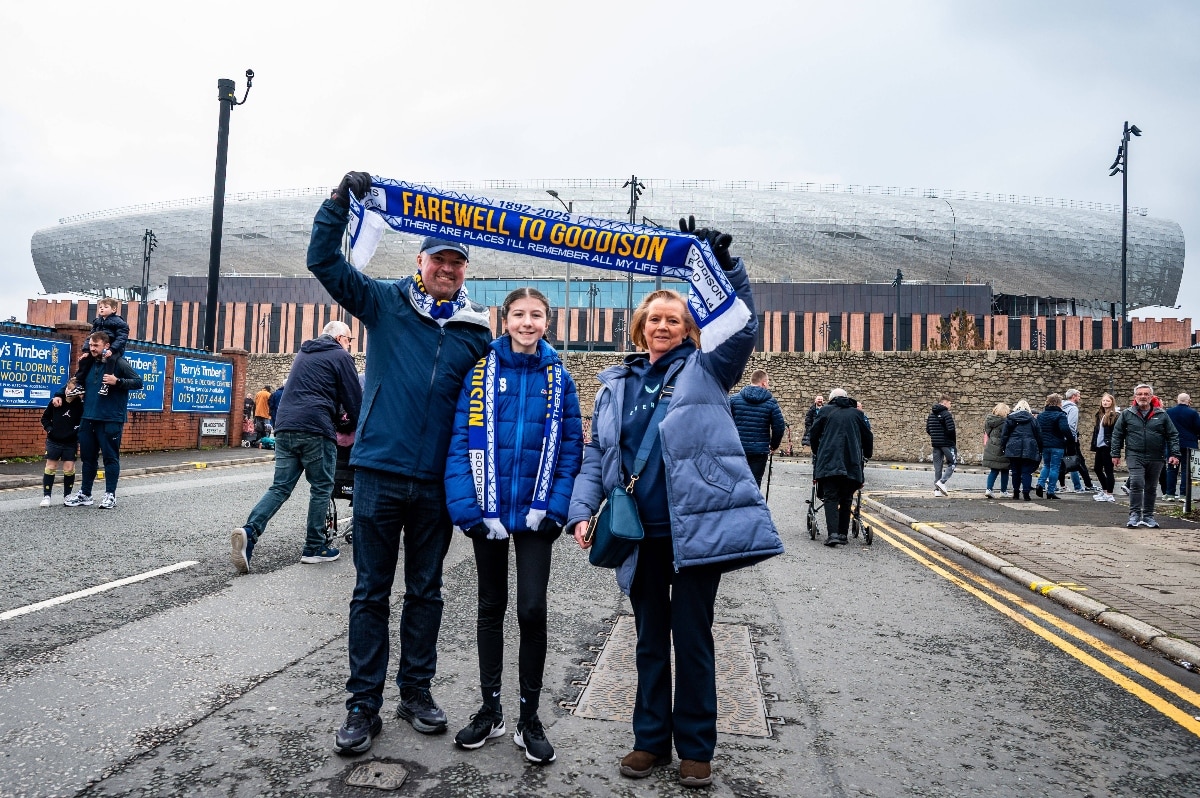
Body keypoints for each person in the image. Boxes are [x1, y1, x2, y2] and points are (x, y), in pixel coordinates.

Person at [569, 220, 783, 789]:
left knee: (692, 639)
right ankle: (649, 742)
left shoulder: (709, 367)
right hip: (637, 532)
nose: (663, 325)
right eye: (655, 318)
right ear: (641, 327)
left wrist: (722, 266)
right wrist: (581, 511)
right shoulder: (614, 382)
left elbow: (742, 327)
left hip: (696, 532)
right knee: (646, 640)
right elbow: (598, 455)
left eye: (674, 319)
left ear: (689, 328)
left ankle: (695, 748)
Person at [309, 172, 492, 756]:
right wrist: (338, 204)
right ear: (420, 262)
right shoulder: (385, 302)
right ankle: (362, 705)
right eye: (439, 259)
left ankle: (415, 691)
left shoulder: (474, 333)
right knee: (370, 591)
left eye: (457, 263)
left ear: (465, 271)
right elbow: (325, 263)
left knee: (427, 591)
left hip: (438, 481)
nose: (448, 269)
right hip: (381, 471)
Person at [443, 287, 583, 765]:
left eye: (536, 315)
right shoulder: (480, 374)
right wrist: (471, 511)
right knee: (490, 607)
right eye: (519, 315)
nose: (527, 322)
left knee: (531, 611)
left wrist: (556, 509)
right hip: (490, 511)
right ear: (504, 321)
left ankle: (529, 715)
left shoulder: (560, 379)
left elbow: (570, 450)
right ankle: (490, 709)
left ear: (548, 322)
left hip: (536, 516)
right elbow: (460, 442)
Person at [230, 320, 362, 573]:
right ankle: (314, 547)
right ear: (339, 338)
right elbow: (354, 399)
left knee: (280, 487)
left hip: (286, 427)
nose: (350, 347)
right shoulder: (339, 356)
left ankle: (249, 533)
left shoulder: (304, 353)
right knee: (322, 487)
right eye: (349, 341)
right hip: (315, 429)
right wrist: (360, 427)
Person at [63, 331, 144, 509]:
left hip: (110, 419)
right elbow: (78, 382)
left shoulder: (119, 363)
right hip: (88, 417)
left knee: (110, 458)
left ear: (106, 346)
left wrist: (118, 381)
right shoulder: (89, 363)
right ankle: (85, 494)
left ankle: (110, 495)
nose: (92, 348)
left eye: (95, 346)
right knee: (87, 458)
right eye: (90, 345)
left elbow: (138, 382)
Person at [809, 388, 873, 546]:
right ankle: (843, 534)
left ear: (831, 399)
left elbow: (813, 434)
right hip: (852, 462)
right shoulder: (857, 414)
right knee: (846, 497)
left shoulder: (824, 411)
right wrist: (867, 454)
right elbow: (868, 436)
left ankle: (833, 535)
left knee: (830, 496)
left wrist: (819, 451)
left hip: (829, 460)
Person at [1111, 383, 1180, 528]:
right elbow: (1117, 435)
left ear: (1151, 397)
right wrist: (1115, 454)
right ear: (1135, 397)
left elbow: (1172, 434)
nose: (1143, 396)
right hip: (1134, 455)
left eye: (1146, 394)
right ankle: (1135, 515)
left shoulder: (1161, 414)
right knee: (1136, 483)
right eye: (1140, 394)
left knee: (1151, 487)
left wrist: (1174, 453)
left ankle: (1148, 516)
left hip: (1156, 456)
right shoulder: (1127, 414)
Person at [728, 369, 787, 487]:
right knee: (754, 483)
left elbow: (724, 422)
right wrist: (774, 445)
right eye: (768, 382)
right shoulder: (771, 402)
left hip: (737, 448)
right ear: (764, 383)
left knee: (735, 483)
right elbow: (779, 427)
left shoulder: (734, 400)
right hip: (759, 451)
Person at [70, 297, 130, 398]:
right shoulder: (97, 322)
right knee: (84, 360)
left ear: (114, 309)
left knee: (110, 359)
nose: (102, 309)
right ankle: (80, 385)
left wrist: (112, 349)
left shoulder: (119, 322)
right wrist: (86, 350)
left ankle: (105, 384)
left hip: (114, 349)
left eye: (105, 307)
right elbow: (91, 337)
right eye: (100, 307)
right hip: (99, 348)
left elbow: (121, 338)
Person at [40, 380, 84, 507]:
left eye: (71, 390)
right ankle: (47, 496)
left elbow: (82, 422)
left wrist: (76, 432)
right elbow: (45, 418)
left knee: (69, 468)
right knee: (51, 467)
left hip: (70, 442)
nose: (68, 392)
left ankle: (67, 496)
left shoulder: (80, 405)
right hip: (54, 440)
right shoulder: (56, 401)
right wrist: (50, 430)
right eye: (67, 389)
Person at [1001, 399, 1042, 501]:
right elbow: (1039, 436)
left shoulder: (1011, 419)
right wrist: (1040, 449)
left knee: (1015, 472)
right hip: (1029, 447)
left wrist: (1003, 446)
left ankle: (1016, 492)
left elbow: (1005, 435)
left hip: (1013, 447)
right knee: (1026, 472)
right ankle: (1026, 493)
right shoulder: (1033, 420)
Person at [1034, 393, 1071, 500]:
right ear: (1059, 403)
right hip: (1057, 444)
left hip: (1045, 444)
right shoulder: (1060, 415)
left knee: (1046, 465)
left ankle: (1040, 484)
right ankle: (1050, 491)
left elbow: (1038, 430)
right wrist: (1070, 440)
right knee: (1055, 467)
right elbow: (1065, 429)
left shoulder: (1041, 415)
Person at [1059, 389, 1097, 494]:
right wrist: (1073, 438)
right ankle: (1088, 485)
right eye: (1079, 396)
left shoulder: (1061, 406)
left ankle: (1063, 485)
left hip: (1060, 439)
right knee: (1079, 461)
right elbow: (1071, 425)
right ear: (1074, 396)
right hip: (1070, 440)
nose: (1080, 398)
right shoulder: (1073, 408)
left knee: (1064, 462)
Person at [1164, 393, 1200, 501]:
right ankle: (1184, 495)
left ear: (1177, 400)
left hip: (1172, 443)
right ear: (1189, 401)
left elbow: (1164, 427)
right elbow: (1198, 428)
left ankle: (1170, 494)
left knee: (1171, 469)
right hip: (1189, 444)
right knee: (1186, 469)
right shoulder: (1193, 413)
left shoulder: (1169, 412)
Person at [925, 394, 957, 496]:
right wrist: (950, 441)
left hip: (936, 444)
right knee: (952, 463)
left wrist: (936, 437)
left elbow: (928, 429)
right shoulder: (946, 414)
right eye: (950, 403)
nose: (950, 405)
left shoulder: (931, 415)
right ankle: (942, 482)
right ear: (944, 402)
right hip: (947, 444)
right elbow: (951, 429)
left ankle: (937, 490)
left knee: (938, 467)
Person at [1090, 393, 1119, 502]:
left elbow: (1116, 433)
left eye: (1108, 401)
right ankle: (1105, 490)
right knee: (1097, 468)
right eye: (1104, 401)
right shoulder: (1100, 415)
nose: (1105, 402)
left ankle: (1109, 494)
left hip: (1108, 446)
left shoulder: (1114, 415)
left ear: (1112, 402)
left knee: (1108, 470)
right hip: (1099, 446)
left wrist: (1112, 446)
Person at [982, 402, 1011, 499]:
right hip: (1003, 447)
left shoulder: (989, 420)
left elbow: (988, 433)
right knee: (1005, 470)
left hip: (992, 446)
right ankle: (1003, 491)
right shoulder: (1006, 422)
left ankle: (989, 489)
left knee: (994, 470)